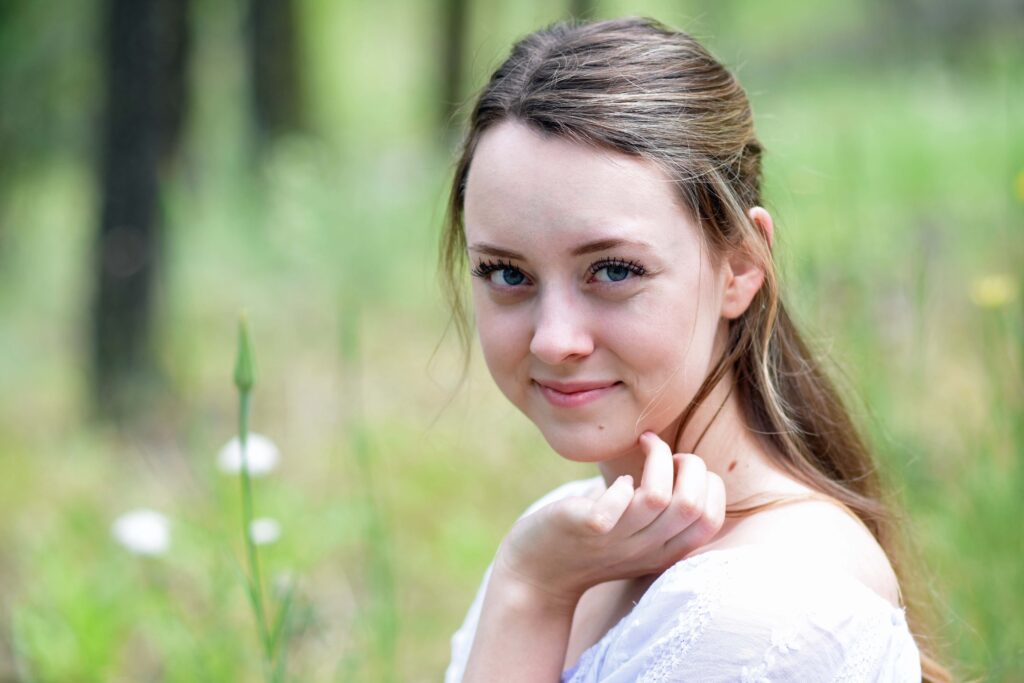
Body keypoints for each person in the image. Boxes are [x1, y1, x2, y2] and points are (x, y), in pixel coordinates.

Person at [439, 16, 949, 682]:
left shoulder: (769, 606)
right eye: (507, 273)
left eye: (614, 269)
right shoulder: (574, 536)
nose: (554, 339)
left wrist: (530, 594)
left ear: (740, 265)